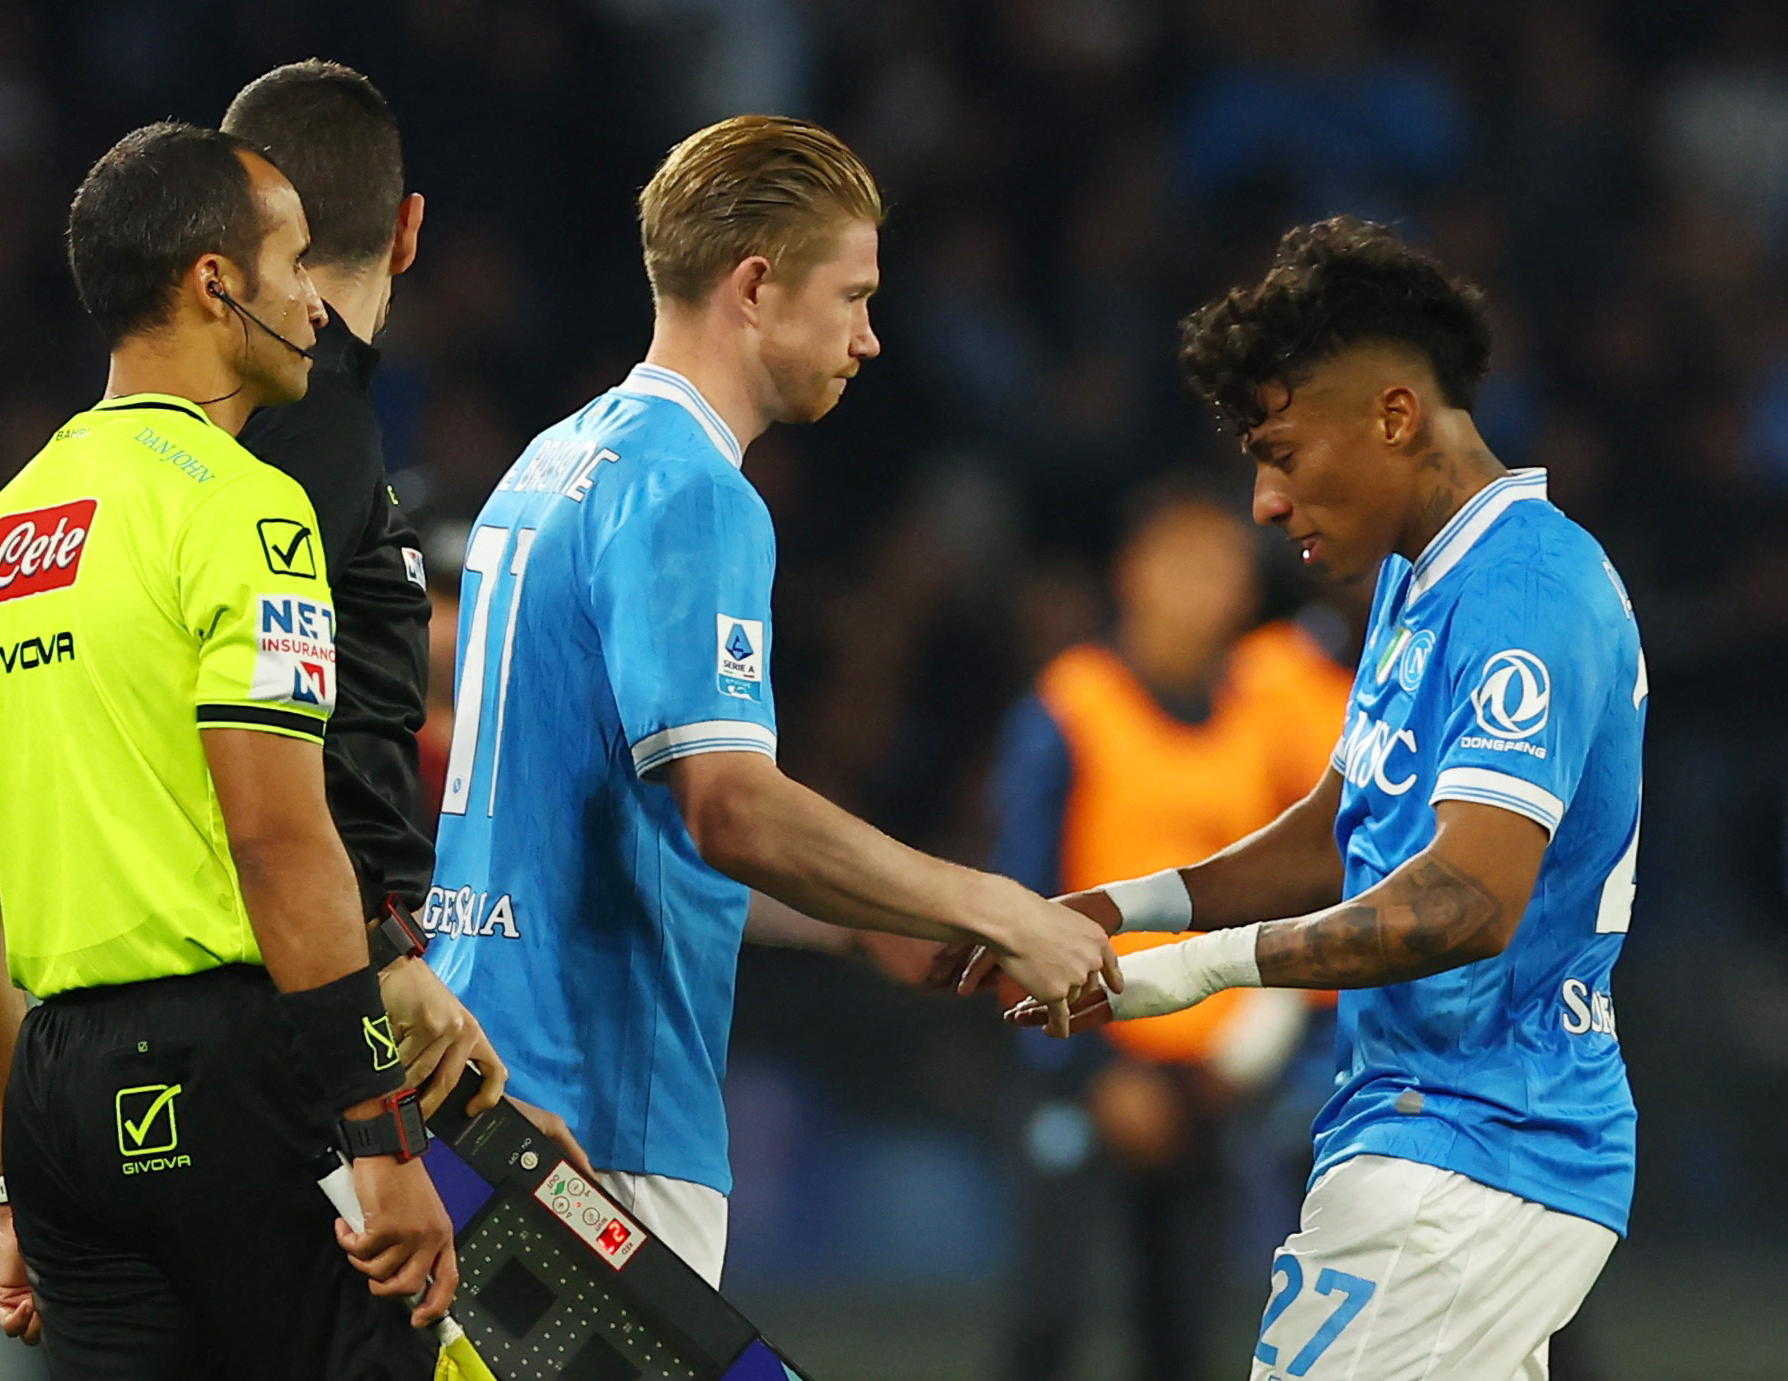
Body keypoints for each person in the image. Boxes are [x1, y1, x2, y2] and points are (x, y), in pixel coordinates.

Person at [426, 114, 1121, 1287]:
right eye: (851, 297)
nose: (870, 338)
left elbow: (614, 845)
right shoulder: (695, 493)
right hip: (601, 1124)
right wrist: (999, 906)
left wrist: (858, 916)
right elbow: (730, 811)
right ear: (755, 287)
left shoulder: (548, 463)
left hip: (477, 1086)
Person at [997, 217, 1644, 1380]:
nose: (1262, 502)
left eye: (1281, 452)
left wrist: (1198, 968)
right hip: (1424, 1132)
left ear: (1395, 415)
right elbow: (1333, 834)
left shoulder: (1526, 588)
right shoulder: (1420, 576)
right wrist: (1119, 908)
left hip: (1478, 1144)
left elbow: (1466, 902)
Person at [0, 122, 458, 1379]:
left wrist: (10, 1183)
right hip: (247, 1079)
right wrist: (379, 1135)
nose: (313, 300)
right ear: (217, 284)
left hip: (60, 1107)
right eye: (291, 260)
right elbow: (278, 836)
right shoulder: (243, 506)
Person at [220, 59, 583, 1147]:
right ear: (409, 229)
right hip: (302, 1013)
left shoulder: (138, 451)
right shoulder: (311, 427)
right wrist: (391, 987)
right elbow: (281, 756)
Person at [985, 486, 1347, 1381]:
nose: (1203, 589)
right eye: (1182, 565)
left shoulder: (1265, 718)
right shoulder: (1073, 704)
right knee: (1044, 1320)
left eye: (1221, 568)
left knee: (1182, 1335)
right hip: (1080, 1059)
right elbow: (1016, 893)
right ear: (1131, 575)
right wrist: (1091, 1071)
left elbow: (1289, 892)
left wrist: (1253, 1047)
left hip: (1206, 1080)